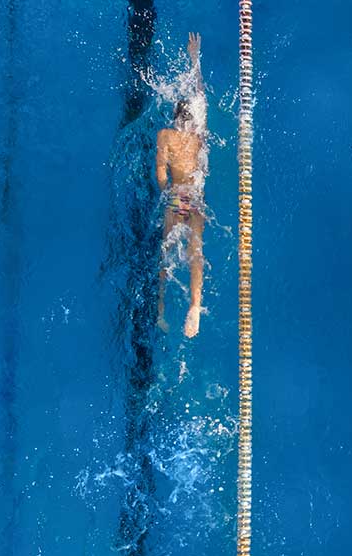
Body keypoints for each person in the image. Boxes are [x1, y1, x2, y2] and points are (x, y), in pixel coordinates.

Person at [155, 32, 208, 338]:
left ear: (175, 118)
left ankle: (161, 311)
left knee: (166, 252)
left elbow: (161, 172)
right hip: (196, 196)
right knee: (195, 252)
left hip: (177, 197)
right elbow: (201, 93)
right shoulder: (200, 136)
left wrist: (167, 193)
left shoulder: (166, 136)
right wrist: (194, 58)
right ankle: (195, 306)